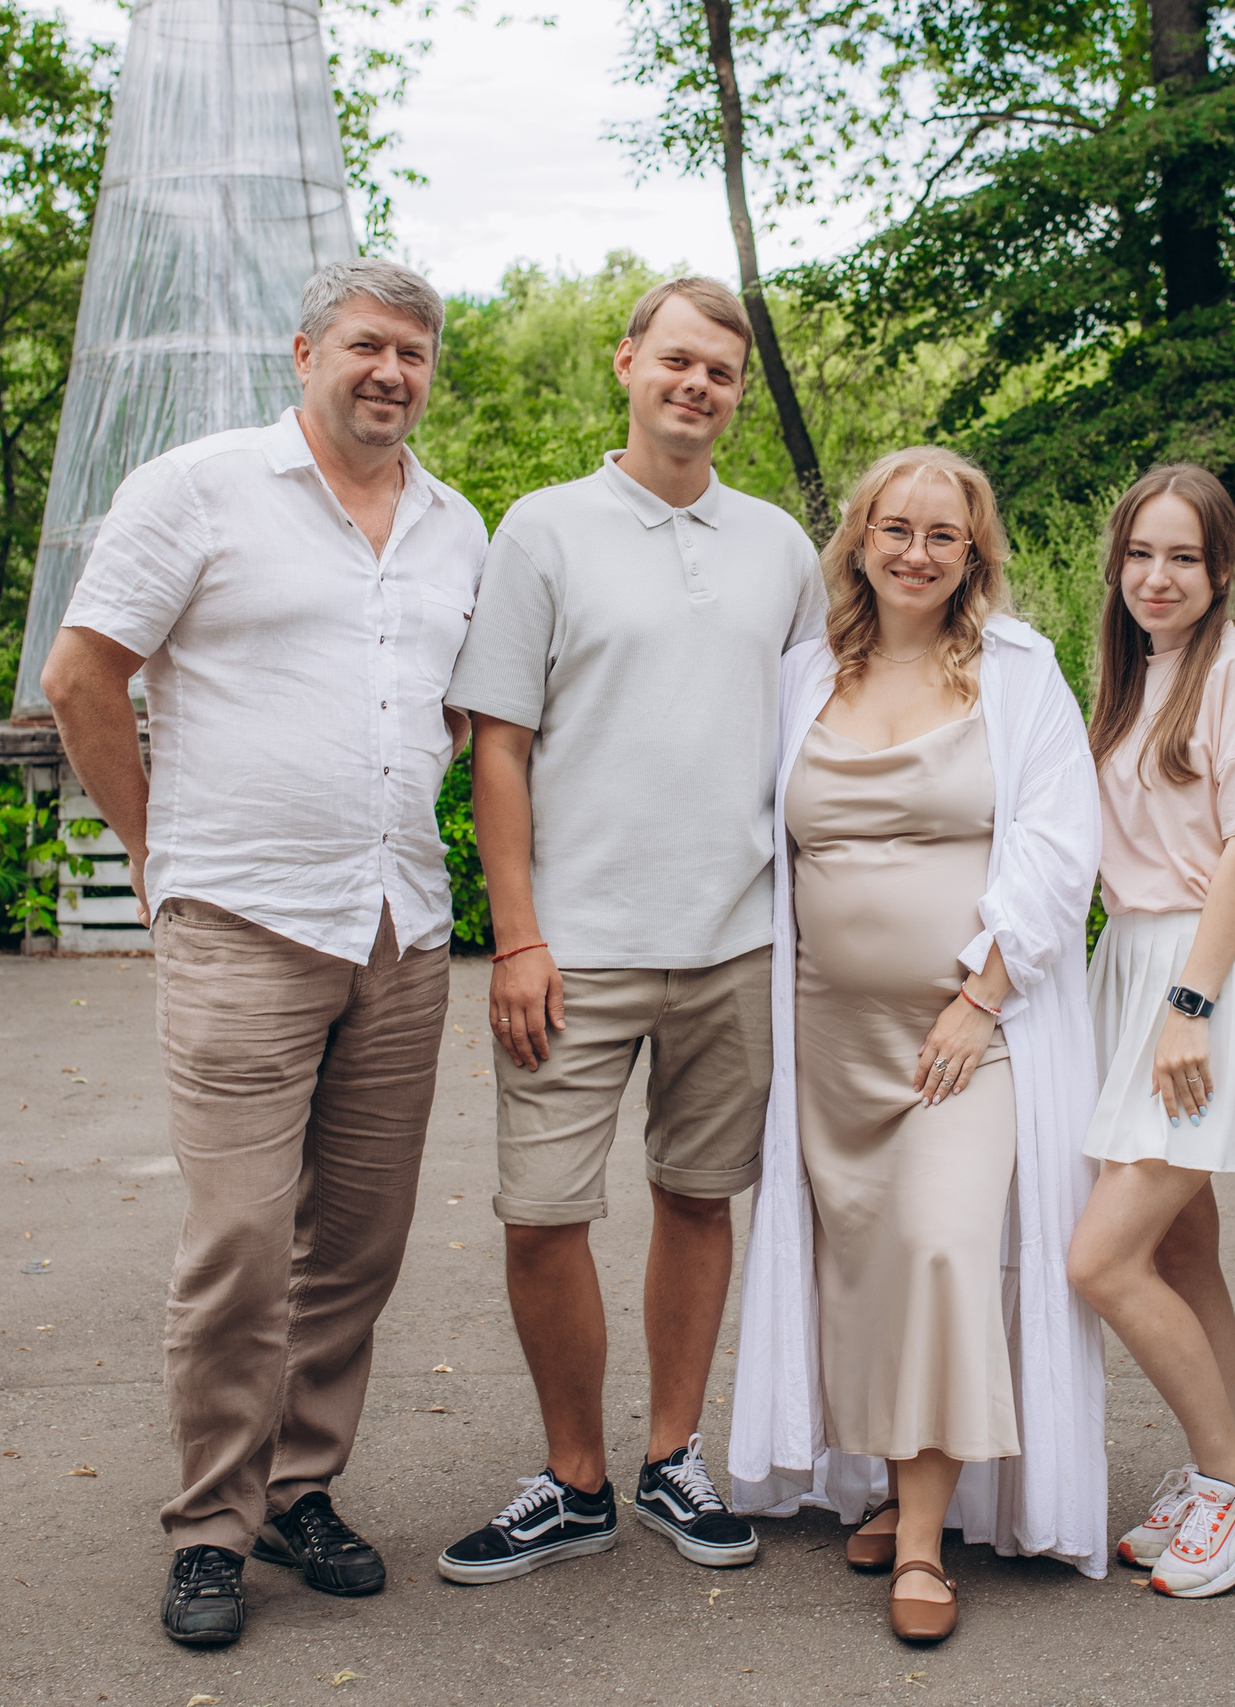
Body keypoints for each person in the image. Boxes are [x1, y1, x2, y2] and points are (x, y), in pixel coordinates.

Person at [40, 259, 482, 1648]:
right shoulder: (199, 487)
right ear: (305, 349)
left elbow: (449, 710)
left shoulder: (456, 524)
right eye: (366, 345)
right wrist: (159, 851)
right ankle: (212, 1527)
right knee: (239, 1237)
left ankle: (304, 1484)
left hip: (400, 923)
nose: (390, 373)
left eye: (414, 353)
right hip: (242, 919)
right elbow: (80, 675)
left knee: (356, 1241)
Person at [435, 277, 824, 1585]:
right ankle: (573, 1474)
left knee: (696, 1196)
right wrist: (518, 934)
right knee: (541, 1211)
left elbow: (824, 738)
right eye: (677, 359)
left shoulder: (780, 547)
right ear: (626, 363)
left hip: (736, 940)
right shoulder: (542, 532)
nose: (698, 384)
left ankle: (671, 1454)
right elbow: (500, 743)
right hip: (576, 947)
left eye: (720, 369)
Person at [728, 447, 1105, 1642]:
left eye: (943, 536)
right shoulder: (801, 676)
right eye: (895, 529)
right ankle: (898, 1483)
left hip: (965, 1026)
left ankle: (926, 1549)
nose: (916, 553)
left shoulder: (1016, 671)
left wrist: (982, 994)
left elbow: (1058, 842)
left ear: (973, 555)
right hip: (826, 1033)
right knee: (861, 1266)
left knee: (943, 1249)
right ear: (858, 541)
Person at [1061, 466, 1235, 1601]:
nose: (1156, 579)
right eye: (1139, 556)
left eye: (1182, 558)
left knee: (1100, 1261)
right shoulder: (1128, 679)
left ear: (1221, 573)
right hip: (1135, 961)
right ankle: (1214, 1478)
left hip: (1202, 972)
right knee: (1178, 1248)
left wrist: (1191, 1006)